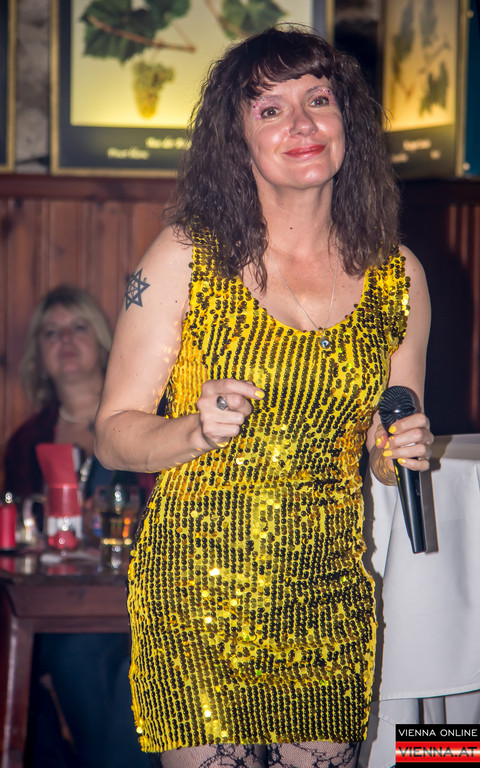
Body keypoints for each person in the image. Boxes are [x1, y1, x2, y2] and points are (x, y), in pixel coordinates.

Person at [94, 25, 433, 768]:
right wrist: (191, 431)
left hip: (327, 592)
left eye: (319, 100)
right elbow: (112, 433)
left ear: (348, 123)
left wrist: (396, 451)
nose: (302, 124)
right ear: (238, 139)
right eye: (270, 109)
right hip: (198, 591)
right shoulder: (187, 257)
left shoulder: (398, 276)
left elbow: (385, 445)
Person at [4, 284, 150, 768]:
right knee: (71, 655)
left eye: (78, 327)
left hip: (143, 598)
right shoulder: (26, 441)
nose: (65, 340)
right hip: (60, 608)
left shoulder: (145, 422)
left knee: (133, 670)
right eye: (51, 332)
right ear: (38, 356)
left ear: (104, 342)